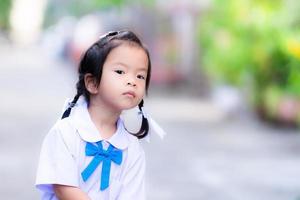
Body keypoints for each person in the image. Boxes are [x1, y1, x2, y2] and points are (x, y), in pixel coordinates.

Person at [35, 30, 165, 200]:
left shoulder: (131, 148)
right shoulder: (65, 132)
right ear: (93, 83)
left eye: (140, 76)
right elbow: (63, 187)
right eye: (120, 72)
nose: (132, 81)